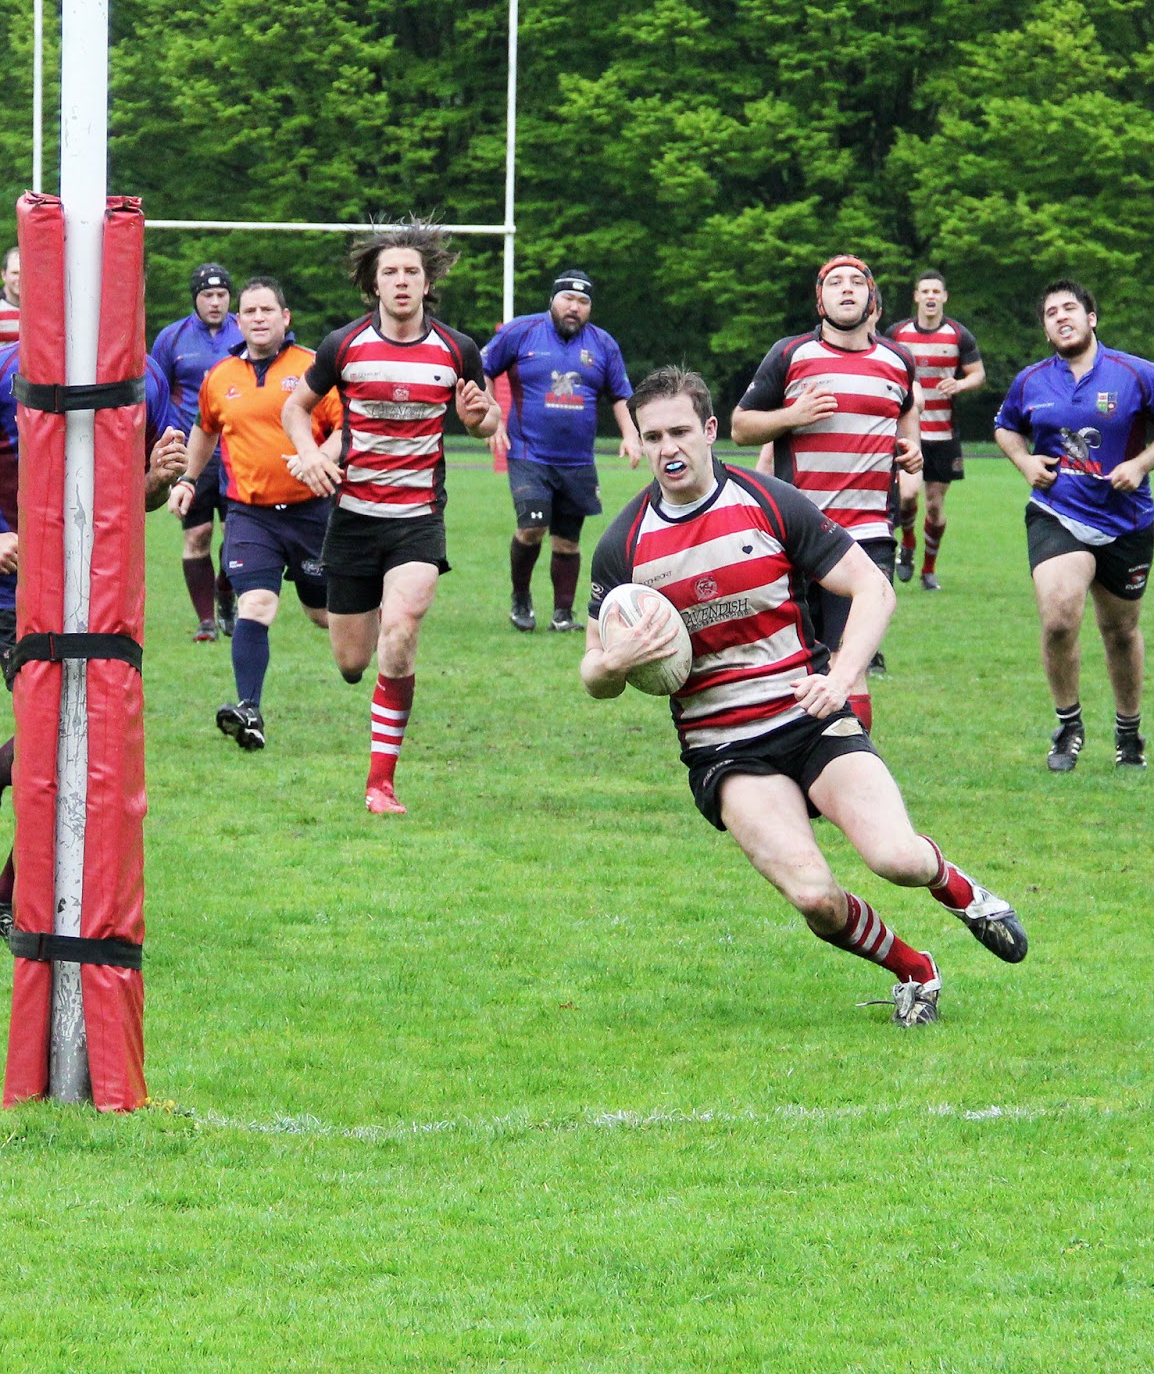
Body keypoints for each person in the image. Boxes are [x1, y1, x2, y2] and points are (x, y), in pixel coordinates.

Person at [581, 366, 1027, 1025]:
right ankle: (914, 970)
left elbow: (874, 590)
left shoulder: (769, 501)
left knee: (896, 858)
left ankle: (963, 892)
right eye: (653, 437)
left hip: (808, 716)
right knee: (816, 899)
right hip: (724, 749)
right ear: (640, 445)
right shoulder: (624, 546)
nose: (668, 449)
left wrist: (841, 677)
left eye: (680, 431)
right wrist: (613, 662)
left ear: (709, 431)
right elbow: (592, 675)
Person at [283, 221, 500, 815]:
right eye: (390, 273)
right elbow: (295, 408)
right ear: (373, 285)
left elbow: (487, 424)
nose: (401, 281)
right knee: (353, 662)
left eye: (411, 272)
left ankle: (381, 784)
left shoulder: (457, 349)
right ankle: (372, 621)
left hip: (417, 518)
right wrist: (308, 455)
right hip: (352, 518)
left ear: (427, 283)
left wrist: (479, 416)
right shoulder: (343, 346)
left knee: (400, 635)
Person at [0, 339, 187, 938]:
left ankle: (9, 899)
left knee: (58, 744)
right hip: (9, 586)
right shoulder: (10, 367)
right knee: (53, 744)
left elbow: (133, 497)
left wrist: (154, 479)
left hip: (73, 596)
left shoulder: (145, 377)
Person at [730, 255, 922, 732]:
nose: (847, 289)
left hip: (867, 536)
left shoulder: (899, 362)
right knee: (792, 666)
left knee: (847, 666)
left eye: (857, 281)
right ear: (821, 299)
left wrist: (910, 454)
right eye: (834, 282)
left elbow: (907, 429)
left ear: (871, 297)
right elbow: (740, 427)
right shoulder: (790, 354)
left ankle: (855, 774)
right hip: (797, 535)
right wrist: (791, 416)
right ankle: (796, 765)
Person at [169, 277, 342, 752]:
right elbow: (204, 432)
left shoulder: (314, 370)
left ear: (285, 318)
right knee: (256, 605)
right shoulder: (220, 375)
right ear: (237, 321)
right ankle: (249, 710)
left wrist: (321, 457)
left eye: (268, 310)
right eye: (250, 312)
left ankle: (388, 634)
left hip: (313, 514)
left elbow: (346, 429)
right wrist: (187, 479)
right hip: (250, 515)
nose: (259, 318)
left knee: (324, 614)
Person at [994, 279, 1154, 772]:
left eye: (1070, 308)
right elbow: (1005, 427)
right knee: (1060, 619)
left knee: (1120, 631)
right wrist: (1024, 464)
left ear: (1092, 318)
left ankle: (1128, 732)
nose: (1061, 317)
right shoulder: (1031, 381)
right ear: (1045, 329)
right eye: (1050, 313)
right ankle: (1069, 725)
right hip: (1057, 511)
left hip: (1126, 520)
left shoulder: (1137, 373)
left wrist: (1142, 464)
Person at [481, 269, 641, 633]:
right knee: (532, 527)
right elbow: (483, 368)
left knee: (568, 541)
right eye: (567, 299)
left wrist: (631, 435)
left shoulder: (602, 344)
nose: (574, 307)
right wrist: (493, 417)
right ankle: (521, 599)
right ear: (552, 300)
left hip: (578, 461)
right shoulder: (521, 332)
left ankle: (563, 615)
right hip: (528, 453)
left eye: (583, 302)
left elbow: (620, 395)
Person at [151, 262, 243, 641]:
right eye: (208, 295)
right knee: (198, 535)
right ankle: (206, 621)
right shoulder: (172, 338)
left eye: (222, 295)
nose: (216, 302)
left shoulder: (246, 330)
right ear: (196, 299)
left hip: (241, 451)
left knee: (238, 536)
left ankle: (225, 589)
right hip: (193, 455)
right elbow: (156, 388)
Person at [885, 270, 985, 590]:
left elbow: (978, 375)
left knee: (935, 505)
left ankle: (929, 570)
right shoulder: (896, 333)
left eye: (936, 292)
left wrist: (960, 383)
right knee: (907, 496)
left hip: (944, 433)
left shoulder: (958, 335)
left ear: (944, 297)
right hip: (906, 431)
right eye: (924, 291)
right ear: (916, 296)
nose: (930, 297)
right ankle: (909, 543)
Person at [0, 246, 19, 345]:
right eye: (15, 273)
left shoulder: (41, 310)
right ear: (4, 275)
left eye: (24, 273)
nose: (20, 279)